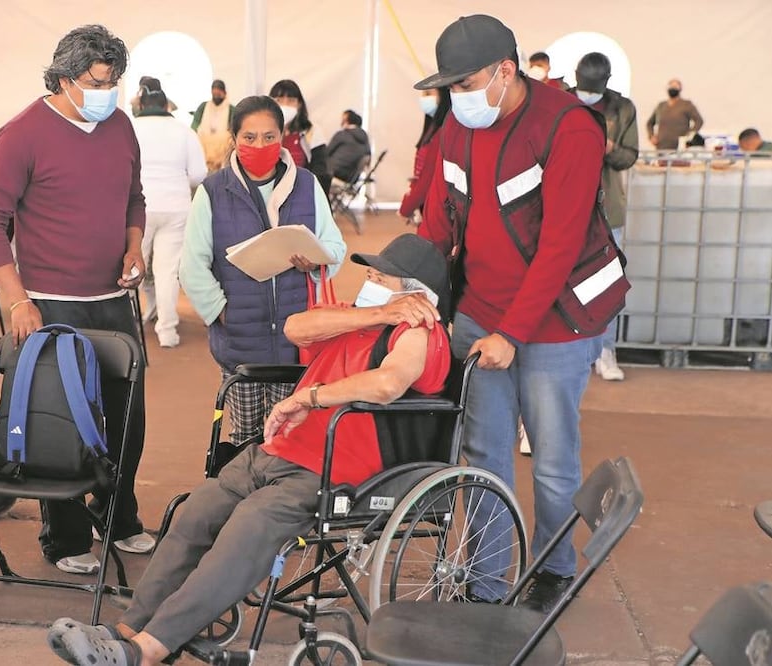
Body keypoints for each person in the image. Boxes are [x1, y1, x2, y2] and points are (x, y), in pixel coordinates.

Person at [48, 233, 452, 666]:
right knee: (195, 514)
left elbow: (387, 384)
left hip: (332, 469)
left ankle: (148, 649)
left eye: (380, 276)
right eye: (369, 272)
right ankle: (129, 628)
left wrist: (307, 397)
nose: (369, 279)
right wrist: (374, 313)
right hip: (276, 451)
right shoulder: (361, 316)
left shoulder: (420, 333)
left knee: (244, 531)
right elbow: (298, 326)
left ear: (415, 293)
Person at [417, 14, 626, 612]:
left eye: (466, 83)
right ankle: (486, 583)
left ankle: (556, 568)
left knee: (553, 459)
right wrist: (403, 283)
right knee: (484, 455)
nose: (456, 97)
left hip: (559, 321)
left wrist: (514, 330)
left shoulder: (569, 127)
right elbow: (438, 219)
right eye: (449, 87)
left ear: (506, 72)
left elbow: (560, 245)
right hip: (483, 313)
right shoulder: (456, 128)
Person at [0, 24, 153, 575]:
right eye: (99, 81)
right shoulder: (22, 133)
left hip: (114, 301)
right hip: (50, 304)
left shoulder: (120, 126)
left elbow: (135, 199)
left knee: (126, 418)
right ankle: (66, 535)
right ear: (66, 78)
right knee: (64, 425)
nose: (109, 92)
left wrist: (134, 247)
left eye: (115, 81)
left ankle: (118, 516)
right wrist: (17, 299)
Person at [179, 95, 346, 450]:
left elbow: (335, 248)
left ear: (283, 136)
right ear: (234, 139)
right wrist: (224, 313)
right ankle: (245, 501)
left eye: (269, 136)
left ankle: (277, 504)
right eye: (249, 137)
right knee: (245, 438)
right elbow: (192, 264)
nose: (260, 145)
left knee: (291, 437)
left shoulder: (306, 184)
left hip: (295, 341)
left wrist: (316, 261)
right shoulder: (214, 191)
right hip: (240, 345)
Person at [572, 52, 639, 381]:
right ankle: (570, 349)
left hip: (607, 209)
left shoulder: (622, 109)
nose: (585, 94)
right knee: (562, 280)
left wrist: (609, 147)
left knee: (607, 284)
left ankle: (605, 350)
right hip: (565, 208)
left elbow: (630, 156)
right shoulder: (562, 102)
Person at [133, 87, 206, 348]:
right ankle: (167, 331)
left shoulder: (130, 127)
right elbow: (199, 173)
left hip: (138, 207)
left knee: (132, 265)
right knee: (167, 271)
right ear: (167, 106)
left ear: (141, 105)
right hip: (176, 206)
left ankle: (131, 322)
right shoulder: (184, 131)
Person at [399, 88, 451, 227]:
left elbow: (428, 178)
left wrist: (407, 207)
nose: (424, 99)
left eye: (428, 94)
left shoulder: (442, 133)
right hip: (426, 205)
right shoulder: (433, 129)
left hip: (435, 208)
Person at [269, 79, 330, 193]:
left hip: (301, 191)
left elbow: (321, 170)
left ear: (299, 104)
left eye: (291, 100)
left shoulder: (311, 131)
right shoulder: (264, 132)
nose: (285, 105)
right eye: (279, 100)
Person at [191, 79, 235, 173]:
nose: (216, 95)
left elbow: (233, 127)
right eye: (214, 92)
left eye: (218, 93)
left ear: (224, 93)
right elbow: (195, 124)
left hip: (222, 150)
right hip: (204, 147)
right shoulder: (203, 106)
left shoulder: (231, 109)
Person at [646, 79, 703, 151]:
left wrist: (689, 136)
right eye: (671, 86)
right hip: (662, 146)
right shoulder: (661, 106)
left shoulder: (686, 104)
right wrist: (651, 136)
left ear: (680, 89)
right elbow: (650, 123)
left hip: (680, 147)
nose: (673, 88)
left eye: (675, 86)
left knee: (679, 162)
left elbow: (699, 121)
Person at [326, 109, 371, 183]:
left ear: (347, 121)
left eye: (343, 119)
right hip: (350, 177)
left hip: (334, 172)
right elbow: (368, 158)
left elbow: (326, 153)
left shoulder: (342, 135)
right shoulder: (365, 139)